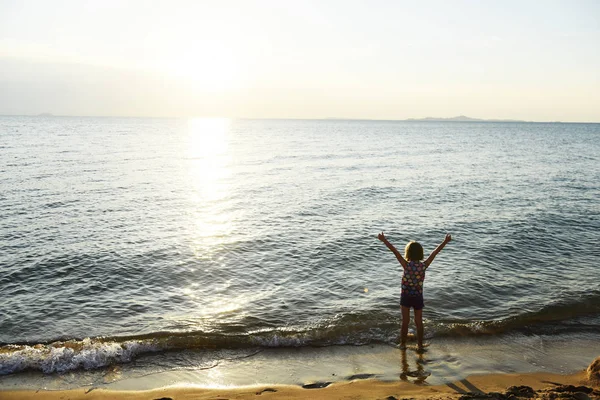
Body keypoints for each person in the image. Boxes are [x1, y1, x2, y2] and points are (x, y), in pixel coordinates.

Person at [377, 232, 452, 351]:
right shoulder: (423, 266)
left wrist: (384, 240)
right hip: (418, 297)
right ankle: (420, 345)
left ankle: (402, 345)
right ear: (421, 253)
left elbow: (395, 252)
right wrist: (445, 242)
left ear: (408, 253)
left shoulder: (406, 265)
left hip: (406, 297)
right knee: (419, 322)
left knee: (405, 322)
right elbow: (434, 253)